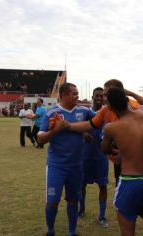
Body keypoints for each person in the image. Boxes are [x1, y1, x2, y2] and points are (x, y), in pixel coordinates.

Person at [101, 87, 143, 236]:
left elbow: (105, 149)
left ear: (110, 107)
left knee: (127, 232)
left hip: (129, 182)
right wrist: (130, 93)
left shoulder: (111, 127)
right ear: (127, 101)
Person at [37, 83, 95, 236]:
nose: (77, 96)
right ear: (63, 95)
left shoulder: (84, 111)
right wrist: (56, 130)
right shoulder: (51, 114)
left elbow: (98, 122)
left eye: (77, 93)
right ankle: (50, 230)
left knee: (73, 200)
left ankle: (72, 231)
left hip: (76, 166)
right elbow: (40, 139)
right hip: (56, 166)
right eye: (74, 94)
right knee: (52, 201)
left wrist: (85, 132)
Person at [79, 87, 109, 228]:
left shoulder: (107, 113)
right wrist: (84, 133)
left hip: (101, 156)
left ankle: (102, 216)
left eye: (102, 96)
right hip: (85, 156)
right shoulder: (85, 113)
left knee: (103, 186)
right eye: (97, 95)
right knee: (82, 185)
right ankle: (81, 209)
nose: (99, 98)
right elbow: (77, 128)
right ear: (92, 96)